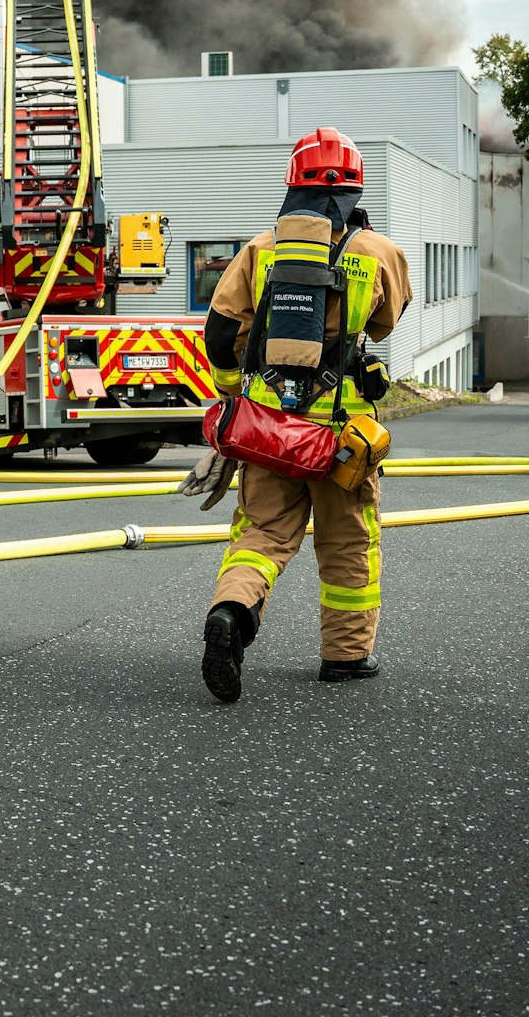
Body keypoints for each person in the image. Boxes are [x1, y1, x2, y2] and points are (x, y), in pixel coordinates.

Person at [186, 127, 413, 701]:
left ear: (293, 184)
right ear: (355, 188)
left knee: (262, 534)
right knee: (348, 543)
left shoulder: (260, 249)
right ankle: (346, 656)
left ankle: (232, 614)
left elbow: (218, 333)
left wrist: (236, 392)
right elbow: (387, 324)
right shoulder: (377, 252)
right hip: (342, 439)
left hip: (268, 432)